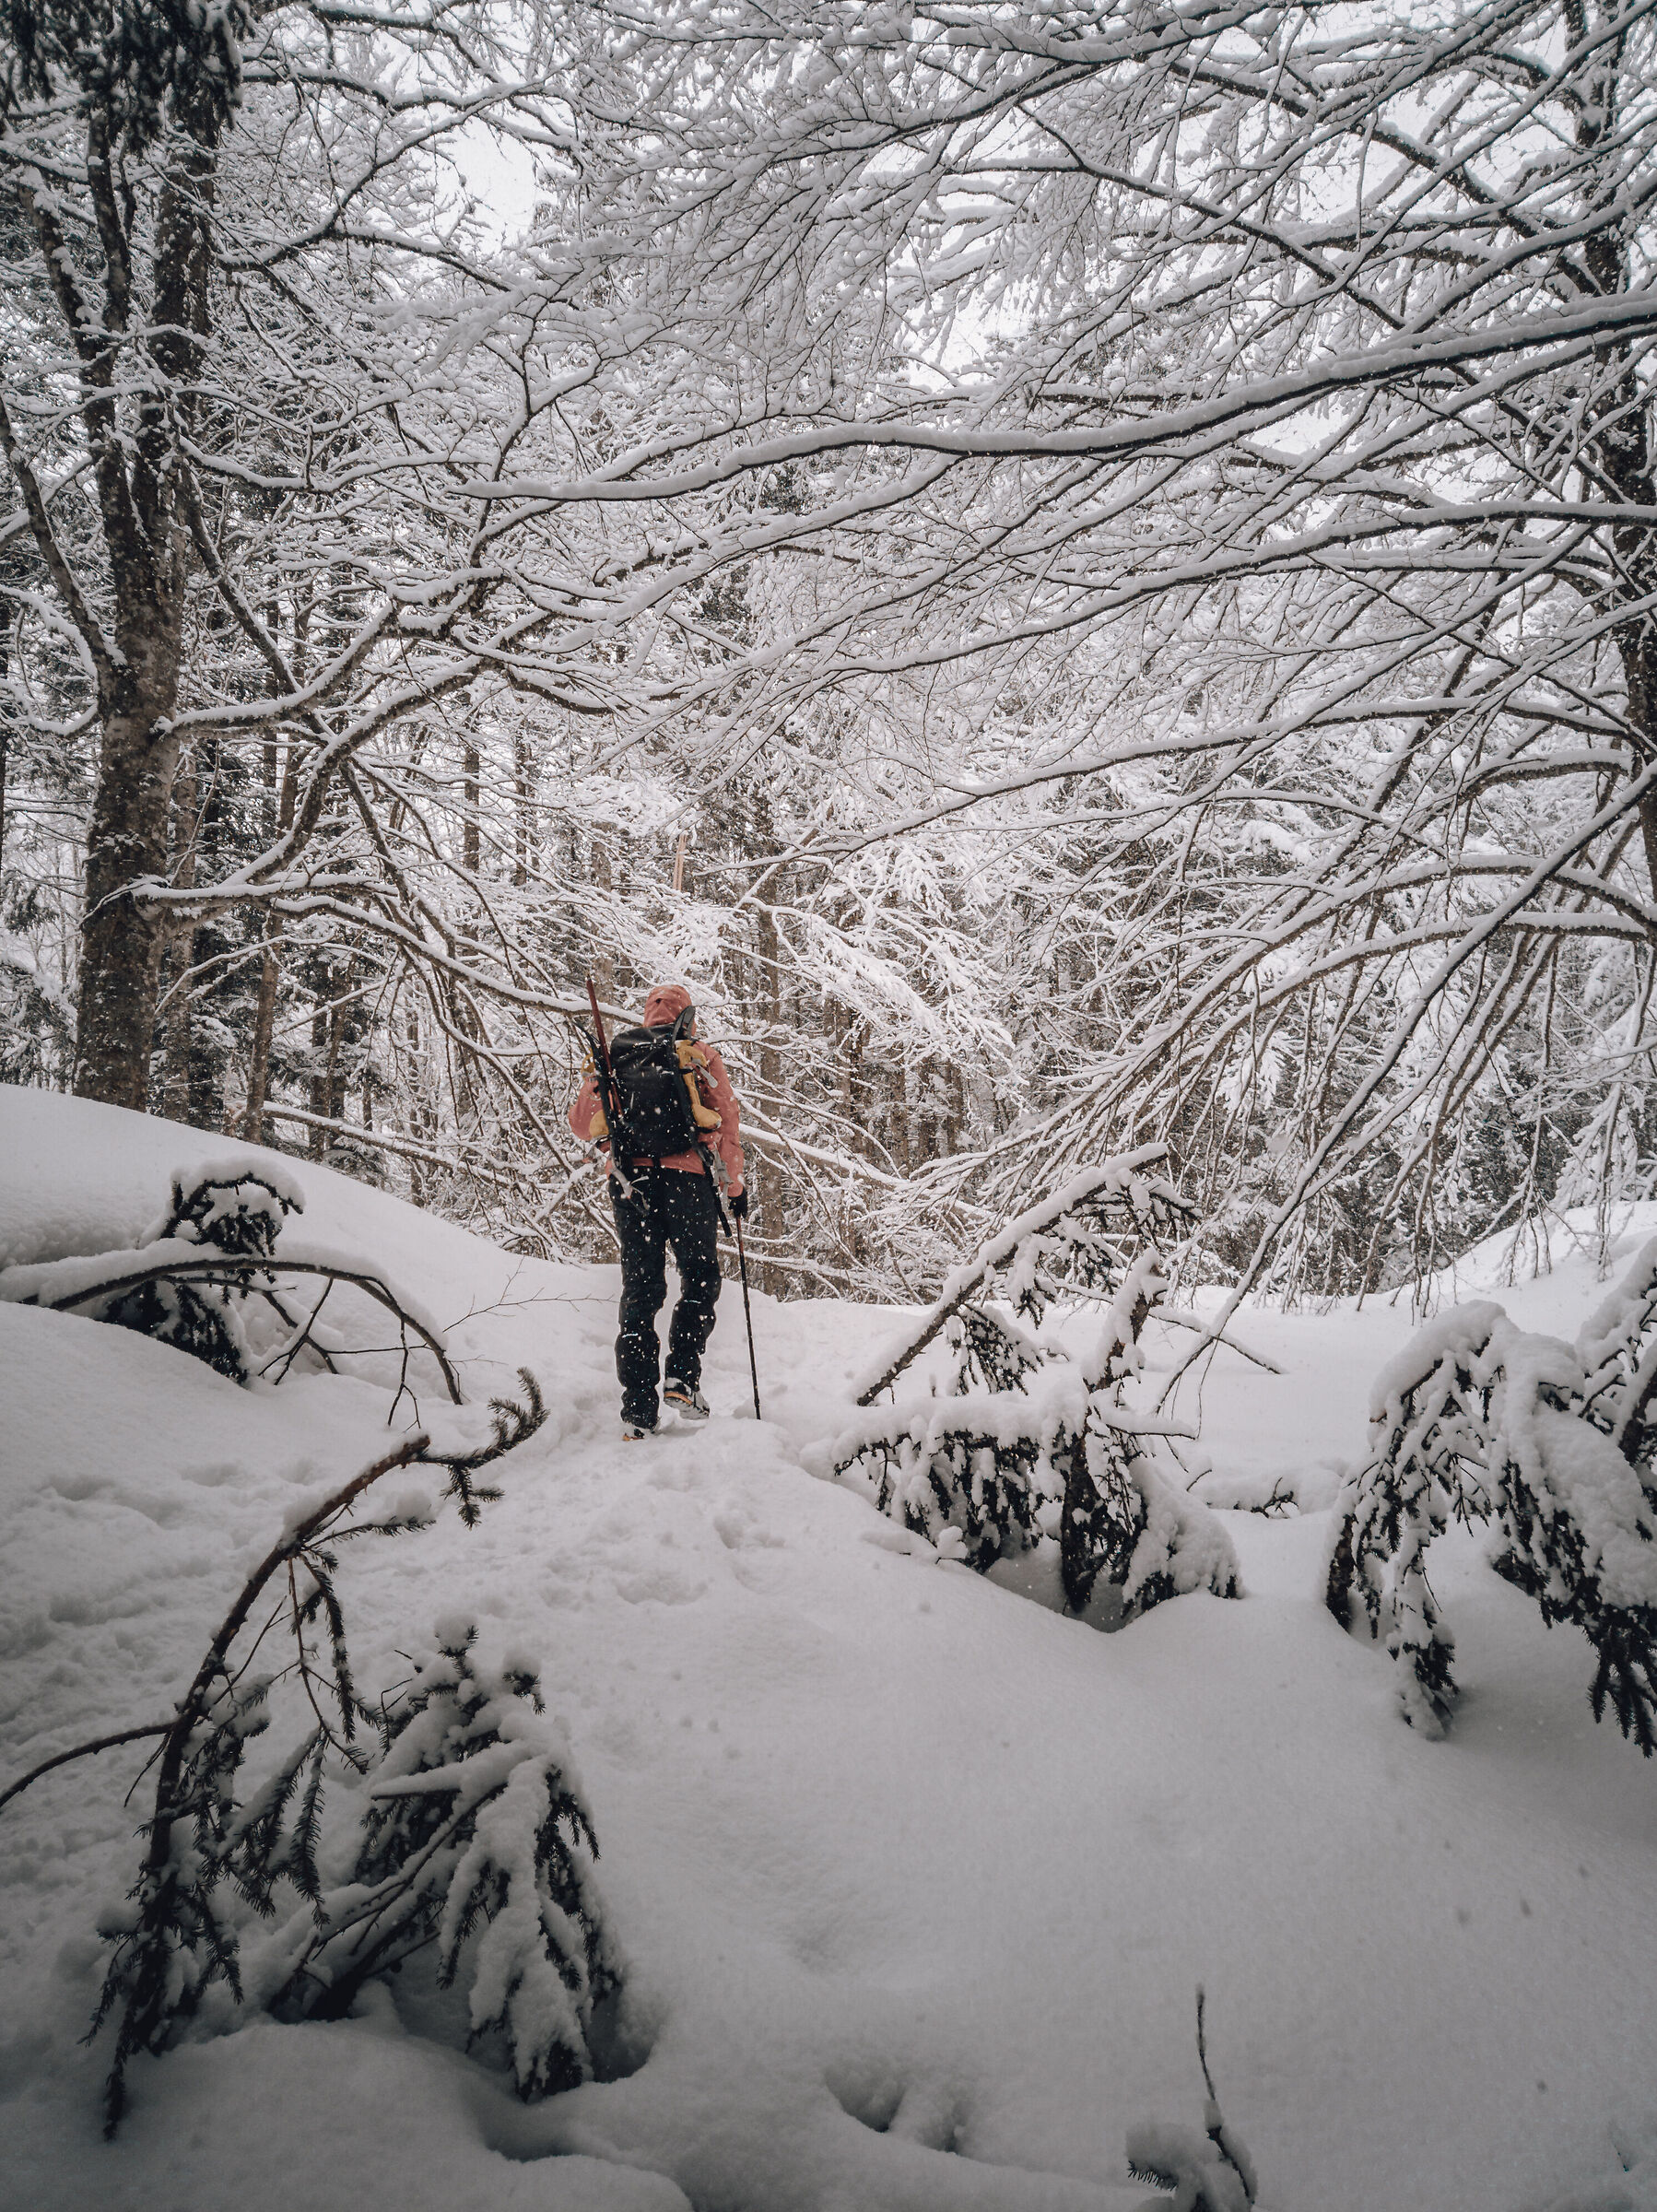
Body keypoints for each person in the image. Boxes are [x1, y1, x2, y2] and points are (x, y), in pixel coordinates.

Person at [569, 983, 747, 1438]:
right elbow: (726, 1119)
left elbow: (578, 1122)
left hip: (632, 1185)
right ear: (687, 1015)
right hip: (689, 1183)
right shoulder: (697, 1053)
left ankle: (638, 1412)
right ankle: (682, 1378)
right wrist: (735, 1183)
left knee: (641, 1291)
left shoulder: (616, 1057)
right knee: (700, 1276)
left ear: (647, 1015)